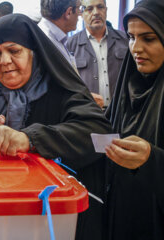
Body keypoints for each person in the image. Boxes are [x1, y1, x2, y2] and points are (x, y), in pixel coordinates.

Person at [0, 14, 112, 240]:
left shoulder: (61, 91)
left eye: (14, 51)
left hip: (54, 220)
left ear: (34, 53)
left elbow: (102, 135)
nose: (4, 61)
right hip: (3, 217)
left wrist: (30, 139)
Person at [104, 1, 164, 239]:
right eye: (131, 37)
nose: (135, 48)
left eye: (148, 39)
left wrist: (152, 160)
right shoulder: (128, 86)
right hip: (122, 214)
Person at [67, 0, 128, 109]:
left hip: (121, 112)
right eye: (89, 9)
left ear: (106, 10)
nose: (96, 12)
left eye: (100, 7)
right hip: (88, 113)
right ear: (81, 13)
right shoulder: (70, 45)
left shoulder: (125, 40)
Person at [39, 0, 81, 69]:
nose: (80, 13)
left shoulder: (55, 37)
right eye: (79, 7)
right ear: (69, 13)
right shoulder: (46, 43)